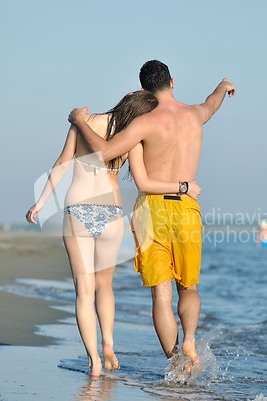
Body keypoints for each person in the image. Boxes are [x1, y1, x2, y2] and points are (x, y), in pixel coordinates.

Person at [68, 60, 236, 368]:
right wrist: (223, 87)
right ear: (172, 82)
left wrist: (79, 122)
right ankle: (189, 339)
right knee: (189, 286)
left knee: (161, 294)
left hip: (151, 209)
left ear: (145, 89)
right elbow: (212, 104)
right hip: (186, 206)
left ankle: (174, 362)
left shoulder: (144, 124)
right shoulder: (195, 115)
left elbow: (104, 152)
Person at [25, 90, 201, 377]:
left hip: (79, 211)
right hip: (111, 214)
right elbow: (144, 179)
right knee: (105, 287)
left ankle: (94, 362)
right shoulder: (131, 136)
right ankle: (108, 345)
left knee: (84, 292)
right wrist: (182, 187)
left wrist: (41, 202)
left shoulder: (83, 122)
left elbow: (61, 165)